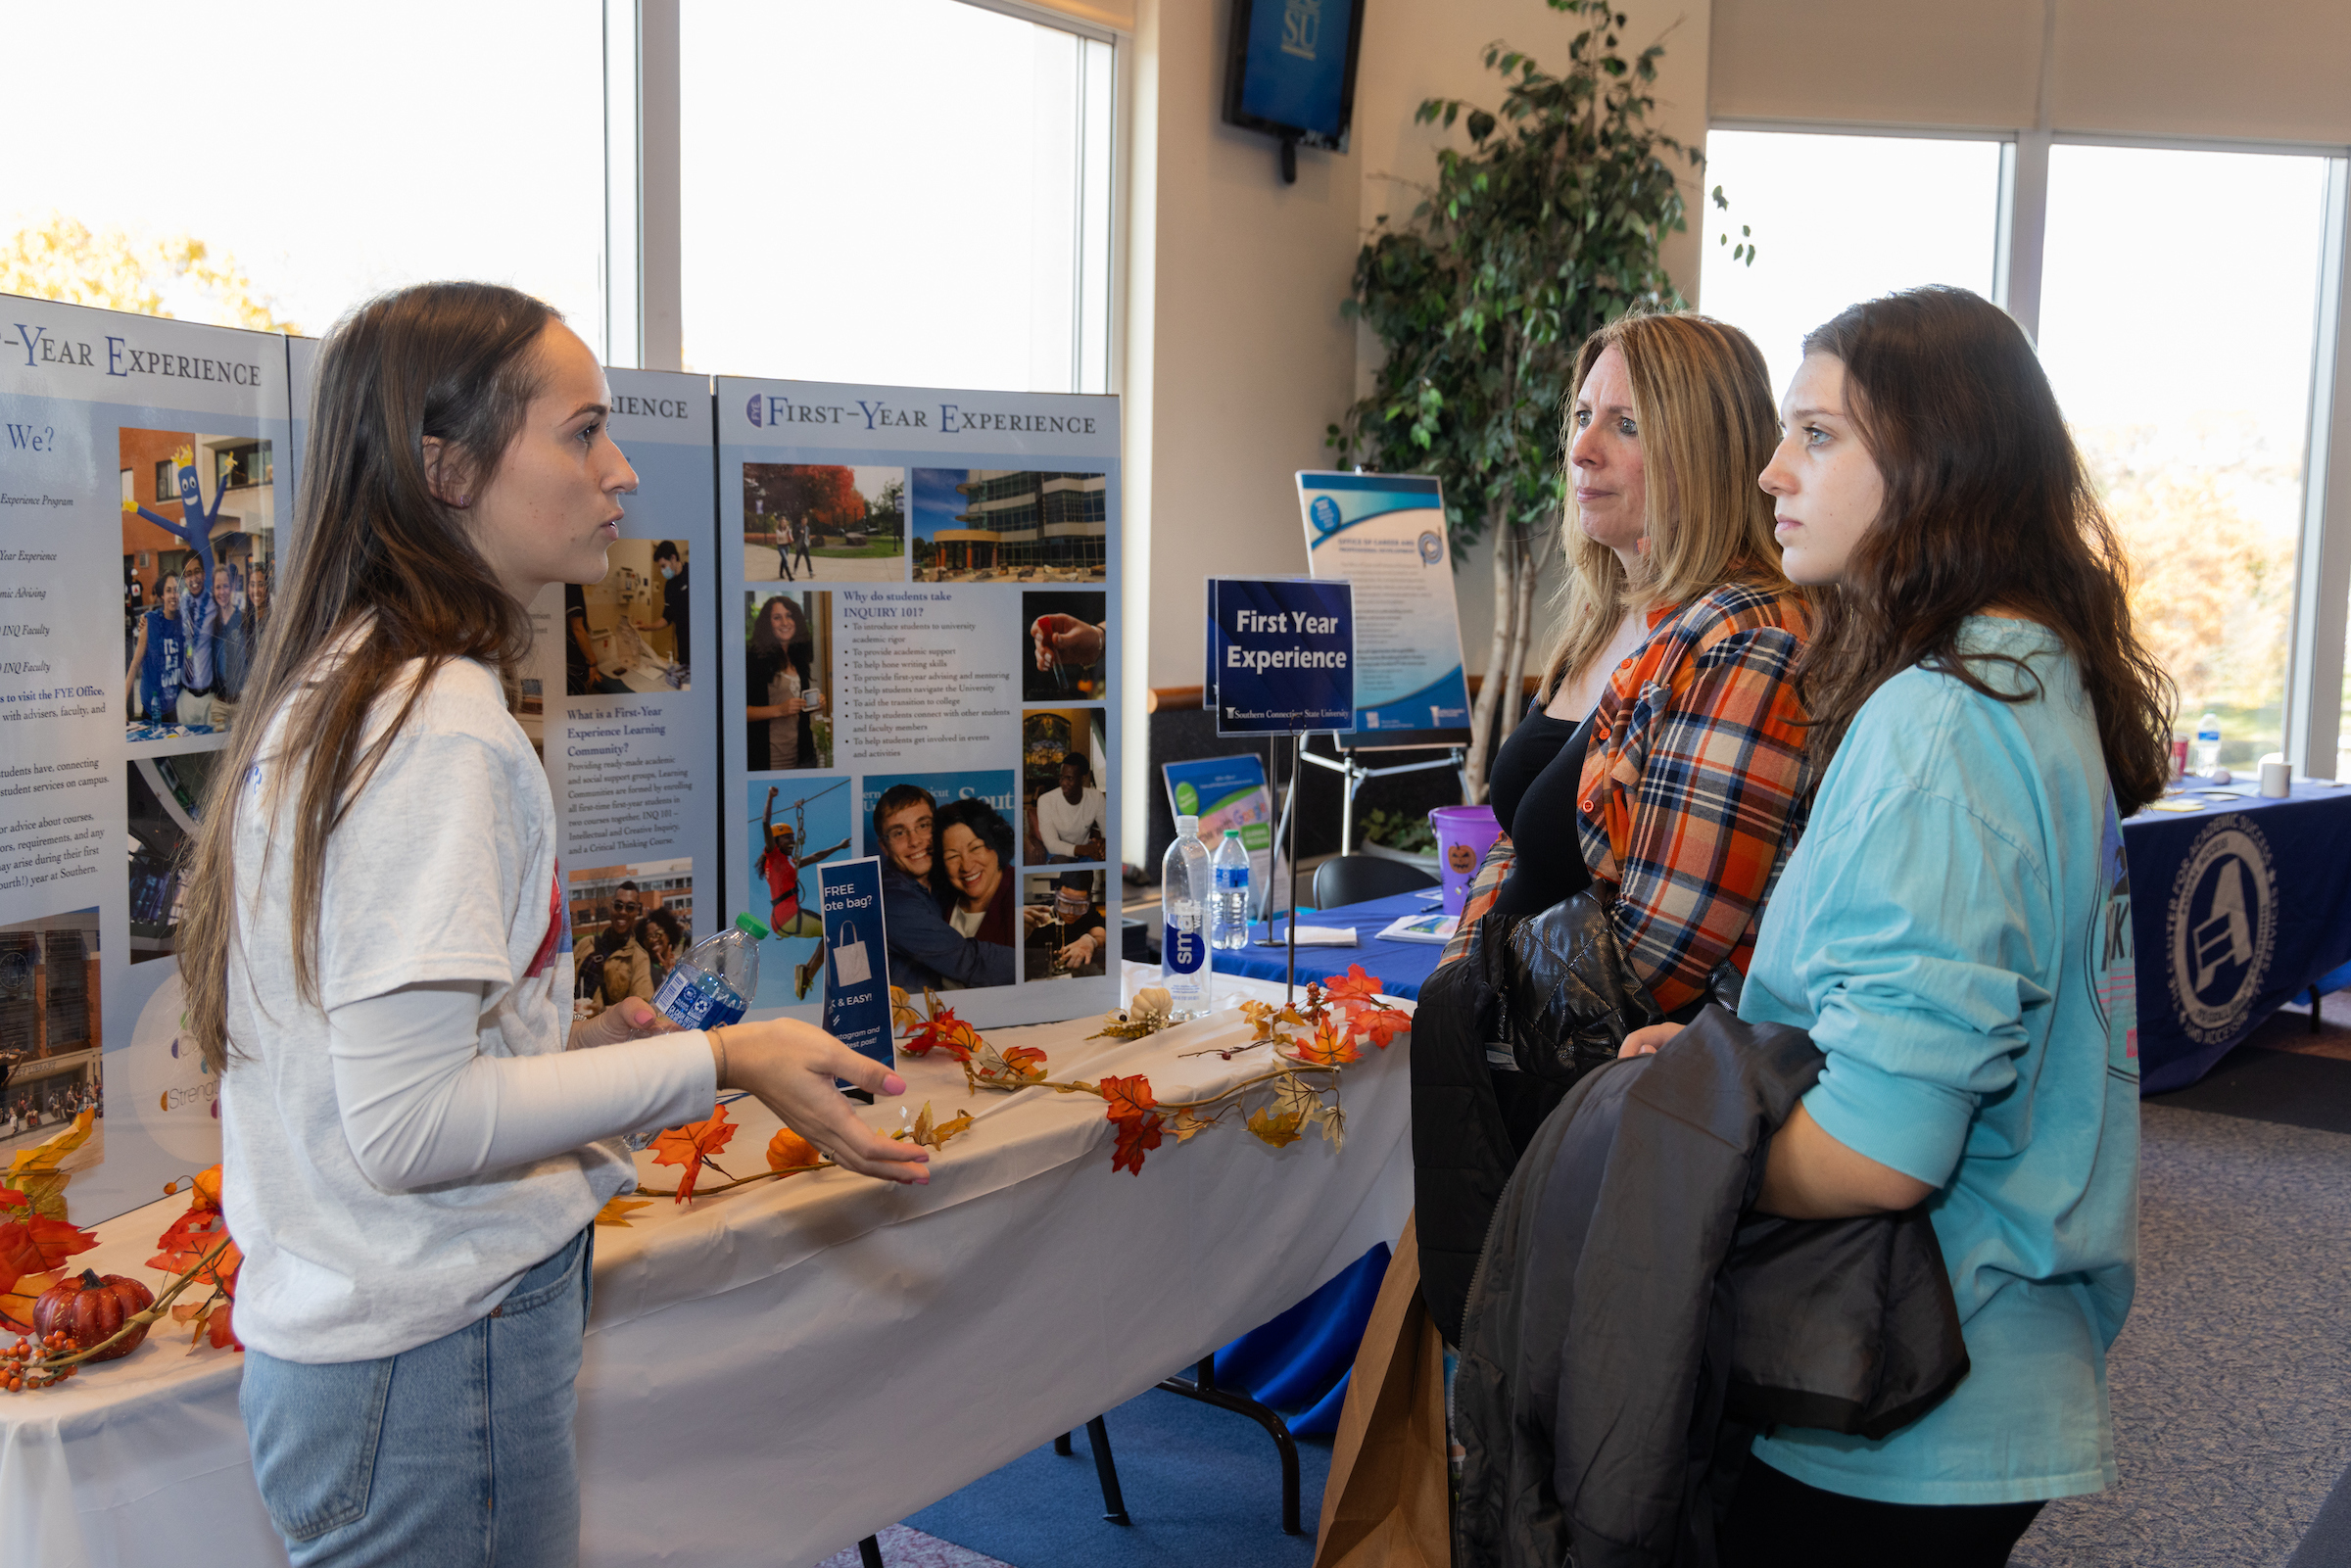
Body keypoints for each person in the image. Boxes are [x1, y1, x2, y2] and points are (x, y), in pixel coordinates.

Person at [175, 282, 929, 1566]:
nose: (621, 471)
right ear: (446, 467)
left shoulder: (361, 685)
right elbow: (409, 1129)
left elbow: (400, 1066)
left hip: (382, 1359)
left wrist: (566, 1051)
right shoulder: (438, 727)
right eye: (582, 433)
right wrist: (728, 1059)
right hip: (432, 1363)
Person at [1622, 286, 2170, 1564]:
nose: (1770, 469)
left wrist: (1685, 1139)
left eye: (1819, 435)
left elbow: (1885, 1150)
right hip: (1973, 1354)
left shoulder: (1937, 720)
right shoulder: (2030, 671)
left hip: (1901, 1377)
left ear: (1934, 462)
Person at [1454, 312, 1810, 1003]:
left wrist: (1483, 999)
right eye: (1583, 415)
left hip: (1606, 1067)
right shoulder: (1601, 617)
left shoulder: (1744, 637)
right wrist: (1462, 982)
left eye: (1627, 424)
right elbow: (1514, 842)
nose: (1581, 448)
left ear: (1704, 453)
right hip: (1511, 1039)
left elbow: (1654, 960)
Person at [875, 784, 1015, 992]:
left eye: (923, 826)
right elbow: (966, 961)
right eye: (898, 833)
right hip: (911, 1019)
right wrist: (1037, 959)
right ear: (884, 847)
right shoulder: (890, 899)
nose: (915, 841)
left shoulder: (945, 883)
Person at [929, 799, 1019, 990]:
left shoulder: (1018, 897)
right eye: (952, 856)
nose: (966, 866)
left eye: (976, 848)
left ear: (996, 843)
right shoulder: (940, 902)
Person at [758, 783, 849, 939]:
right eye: (788, 838)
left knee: (829, 933)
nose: (792, 842)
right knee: (835, 928)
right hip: (789, 916)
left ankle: (807, 966)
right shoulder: (774, 858)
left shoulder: (789, 863)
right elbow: (766, 823)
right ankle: (811, 965)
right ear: (776, 842)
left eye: (793, 838)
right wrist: (770, 797)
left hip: (781, 921)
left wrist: (839, 847)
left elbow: (816, 857)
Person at [745, 594, 823, 769]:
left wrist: (812, 705)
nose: (785, 622)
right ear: (767, 623)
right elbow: (737, 714)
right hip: (768, 760)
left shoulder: (799, 659)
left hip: (802, 758)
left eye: (789, 615)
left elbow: (797, 710)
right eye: (777, 618)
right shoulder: (753, 660)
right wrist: (779, 710)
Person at [124, 570, 186, 726]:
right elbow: (134, 665)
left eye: (177, 590)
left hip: (177, 709)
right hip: (153, 710)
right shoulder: (150, 621)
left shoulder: (184, 621)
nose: (173, 595)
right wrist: (122, 704)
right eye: (169, 590)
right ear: (162, 595)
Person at [1024, 872, 1107, 978]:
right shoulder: (1038, 913)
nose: (1071, 912)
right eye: (1065, 902)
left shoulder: (1088, 914)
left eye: (1079, 905)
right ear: (1056, 895)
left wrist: (1091, 941)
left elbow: (1100, 936)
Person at [592, 880, 656, 1010]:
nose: (623, 912)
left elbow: (641, 1007)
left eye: (630, 907)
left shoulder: (639, 958)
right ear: (611, 907)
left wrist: (599, 1011)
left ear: (637, 911)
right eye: (618, 905)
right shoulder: (587, 945)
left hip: (604, 1028)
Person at [1033, 754, 1106, 862]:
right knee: (1065, 868)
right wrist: (1084, 850)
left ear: (1083, 778)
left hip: (1086, 852)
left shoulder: (1096, 797)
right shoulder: (1046, 801)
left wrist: (1103, 845)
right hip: (1058, 854)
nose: (1063, 783)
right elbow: (1052, 845)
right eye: (1062, 777)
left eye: (1069, 778)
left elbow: (1109, 832)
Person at [565, 583, 632, 694]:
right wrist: (593, 663)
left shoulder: (566, 586)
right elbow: (577, 629)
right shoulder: (573, 587)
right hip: (574, 663)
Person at [640, 539, 689, 668]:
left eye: (663, 566)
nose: (662, 571)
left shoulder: (692, 573)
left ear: (673, 558)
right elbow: (667, 618)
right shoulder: (669, 587)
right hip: (683, 648)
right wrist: (647, 627)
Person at [641, 907, 684, 995]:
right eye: (648, 937)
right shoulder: (643, 968)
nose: (653, 940)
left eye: (658, 934)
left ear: (669, 934)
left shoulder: (680, 965)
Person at [792, 512, 815, 579]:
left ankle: (810, 572)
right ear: (801, 520)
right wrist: (799, 533)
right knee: (797, 558)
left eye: (806, 520)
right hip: (799, 545)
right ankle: (795, 569)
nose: (805, 522)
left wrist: (808, 541)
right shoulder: (798, 527)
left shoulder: (807, 528)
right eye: (804, 520)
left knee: (808, 559)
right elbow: (794, 536)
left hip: (805, 545)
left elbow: (807, 535)